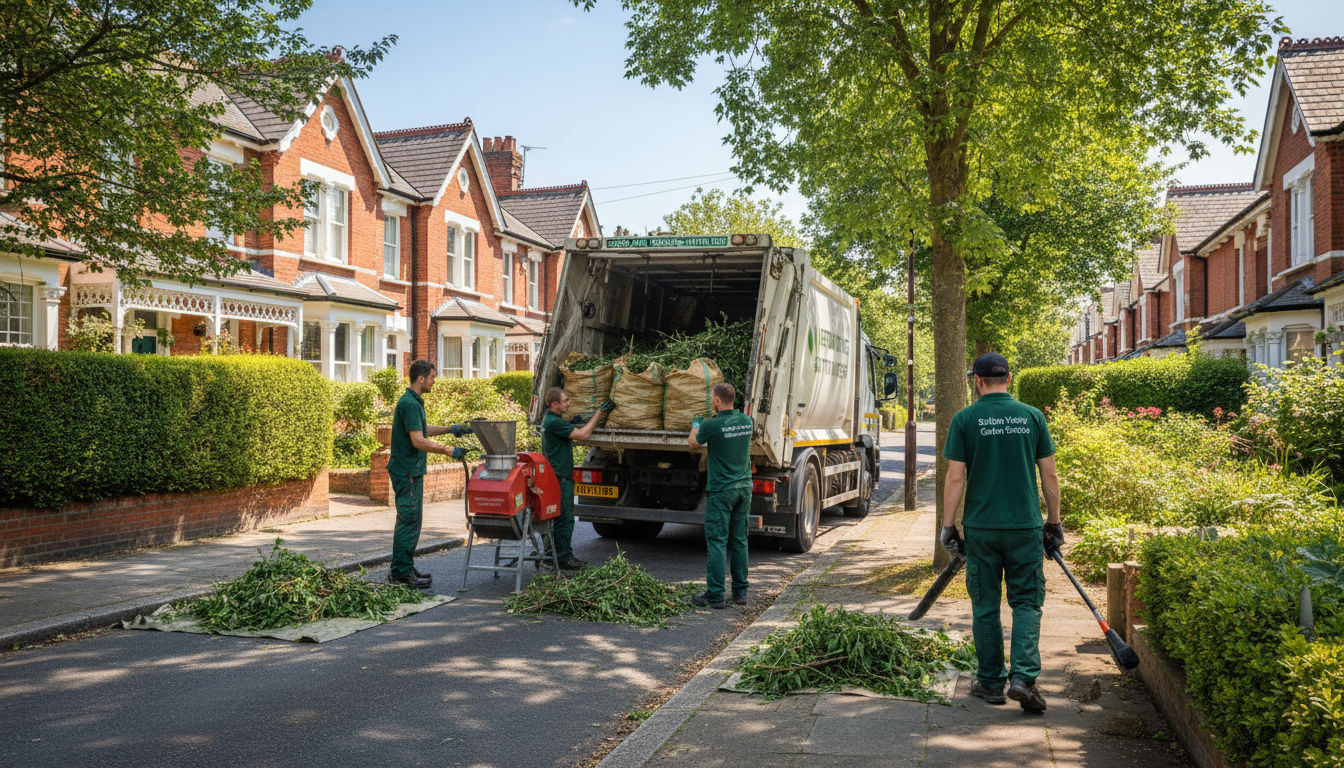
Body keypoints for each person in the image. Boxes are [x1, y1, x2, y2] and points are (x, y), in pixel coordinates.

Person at [940, 353, 1062, 714]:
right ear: (1009, 378)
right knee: (1026, 602)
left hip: (981, 528)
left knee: (985, 605)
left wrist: (949, 526)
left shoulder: (964, 419)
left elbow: (956, 477)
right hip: (1025, 527)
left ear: (976, 381)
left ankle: (991, 683)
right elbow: (1050, 475)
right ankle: (1023, 678)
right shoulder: (1032, 416)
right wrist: (1053, 522)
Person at [388, 359, 475, 589]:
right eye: (432, 378)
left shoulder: (413, 402)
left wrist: (450, 429)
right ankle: (400, 573)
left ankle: (403, 565)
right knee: (409, 520)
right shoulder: (410, 403)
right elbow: (418, 441)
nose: (434, 382)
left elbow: (421, 429)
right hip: (407, 471)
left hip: (409, 470)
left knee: (412, 520)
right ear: (421, 378)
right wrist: (449, 450)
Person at [687, 382, 753, 609]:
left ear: (716, 400)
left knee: (717, 541)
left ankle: (715, 594)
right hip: (744, 488)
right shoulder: (746, 421)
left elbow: (694, 443)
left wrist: (696, 424)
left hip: (721, 491)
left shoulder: (711, 424)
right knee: (740, 540)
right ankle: (740, 593)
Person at [540, 387, 613, 570]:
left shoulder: (554, 419)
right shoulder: (552, 422)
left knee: (555, 518)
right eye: (565, 400)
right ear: (554, 404)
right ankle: (563, 558)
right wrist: (599, 413)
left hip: (558, 475)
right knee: (565, 518)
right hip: (559, 477)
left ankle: (551, 556)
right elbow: (582, 435)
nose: (568, 403)